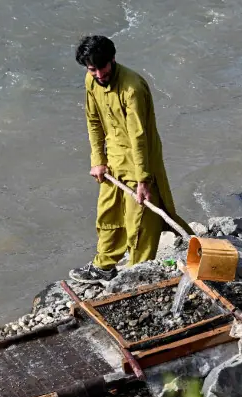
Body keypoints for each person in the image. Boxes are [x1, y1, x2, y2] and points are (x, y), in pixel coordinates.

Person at [69, 35, 193, 285]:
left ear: (112, 60)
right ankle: (104, 267)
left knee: (139, 222)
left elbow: (139, 137)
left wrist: (144, 180)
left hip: (141, 161)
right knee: (108, 214)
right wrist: (98, 159)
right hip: (113, 161)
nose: (99, 74)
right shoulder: (91, 81)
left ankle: (137, 275)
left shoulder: (132, 87)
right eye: (92, 69)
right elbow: (93, 122)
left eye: (102, 67)